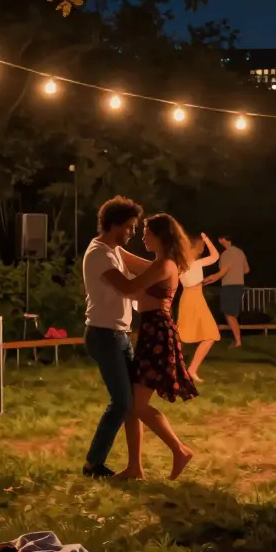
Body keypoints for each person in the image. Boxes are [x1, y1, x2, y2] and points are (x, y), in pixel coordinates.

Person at [102, 214, 199, 481]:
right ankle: (135, 468)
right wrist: (111, 243)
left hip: (157, 334)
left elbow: (130, 286)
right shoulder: (161, 264)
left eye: (147, 232)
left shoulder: (163, 266)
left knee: (137, 404)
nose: (142, 237)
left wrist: (106, 268)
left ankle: (180, 450)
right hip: (152, 331)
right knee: (132, 404)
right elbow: (131, 261)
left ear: (160, 236)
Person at [81, 197, 144, 479]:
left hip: (118, 334)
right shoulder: (99, 254)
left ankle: (134, 466)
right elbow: (129, 287)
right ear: (115, 224)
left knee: (131, 400)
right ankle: (93, 464)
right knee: (122, 402)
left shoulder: (114, 250)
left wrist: (170, 264)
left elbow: (142, 269)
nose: (132, 233)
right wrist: (162, 270)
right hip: (103, 335)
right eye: (130, 227)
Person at [176, 233, 221, 382]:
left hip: (197, 298)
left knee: (210, 335)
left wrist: (207, 239)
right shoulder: (183, 264)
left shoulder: (196, 263)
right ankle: (168, 366)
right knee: (180, 336)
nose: (201, 250)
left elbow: (215, 256)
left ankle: (191, 370)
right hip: (190, 300)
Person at [204, 235, 249, 348]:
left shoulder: (226, 253)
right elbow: (247, 270)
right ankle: (237, 339)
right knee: (231, 313)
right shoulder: (239, 252)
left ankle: (238, 341)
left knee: (229, 314)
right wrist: (236, 273)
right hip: (239, 285)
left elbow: (221, 273)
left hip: (229, 286)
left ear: (222, 239)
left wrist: (204, 281)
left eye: (219, 239)